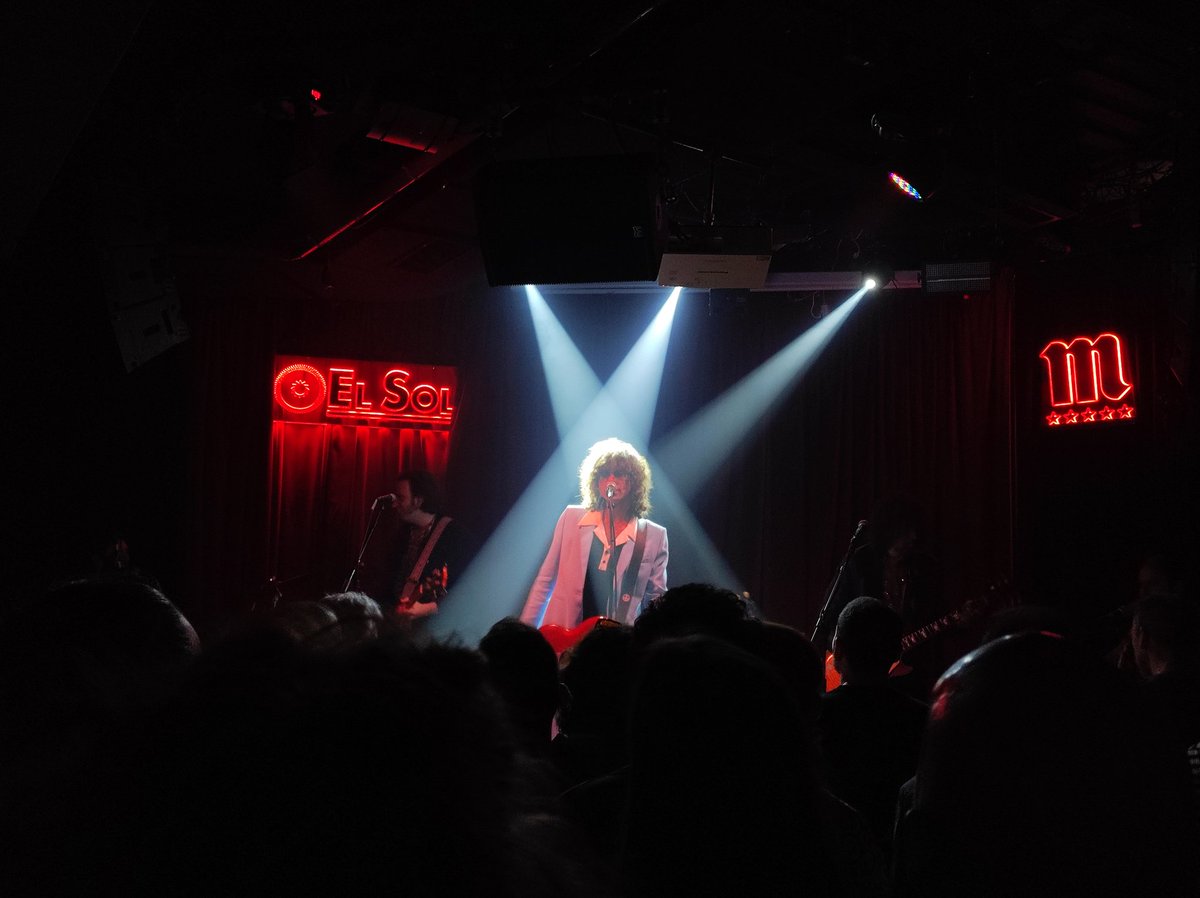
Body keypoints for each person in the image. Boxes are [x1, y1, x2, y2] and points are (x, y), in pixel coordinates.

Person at [521, 438, 667, 630]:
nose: (611, 480)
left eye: (619, 474)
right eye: (604, 474)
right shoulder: (572, 518)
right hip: (563, 636)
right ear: (595, 481)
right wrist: (525, 633)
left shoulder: (653, 535)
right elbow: (545, 580)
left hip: (614, 643)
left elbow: (656, 600)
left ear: (634, 481)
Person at [382, 470, 470, 621]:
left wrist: (426, 609)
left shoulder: (453, 536)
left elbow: (466, 591)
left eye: (401, 498)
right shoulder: (402, 534)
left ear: (418, 501)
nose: (395, 504)